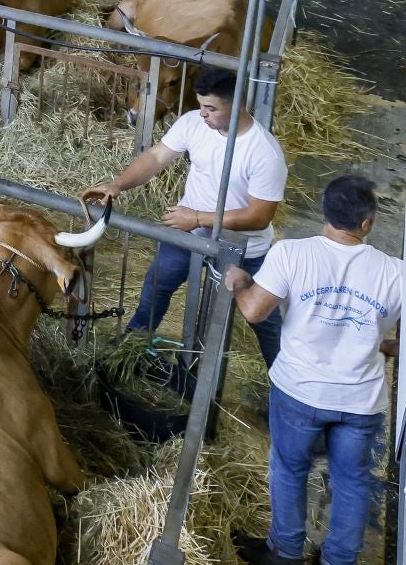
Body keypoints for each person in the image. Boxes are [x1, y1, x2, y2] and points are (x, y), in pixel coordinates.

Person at [223, 174, 401, 565]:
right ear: (367, 223)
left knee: (289, 468)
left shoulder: (291, 254)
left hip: (299, 392)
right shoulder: (396, 273)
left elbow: (254, 312)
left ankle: (286, 555)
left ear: (323, 213)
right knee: (353, 482)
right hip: (361, 400)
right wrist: (387, 345)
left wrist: (238, 284)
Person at [80, 65, 287, 369]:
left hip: (242, 247)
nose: (202, 114)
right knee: (157, 284)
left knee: (262, 317)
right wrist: (118, 184)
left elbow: (259, 216)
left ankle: (283, 376)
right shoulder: (193, 123)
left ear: (239, 104)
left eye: (211, 108)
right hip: (189, 232)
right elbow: (156, 157)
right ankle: (131, 350)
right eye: (201, 105)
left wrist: (199, 218)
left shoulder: (264, 153)